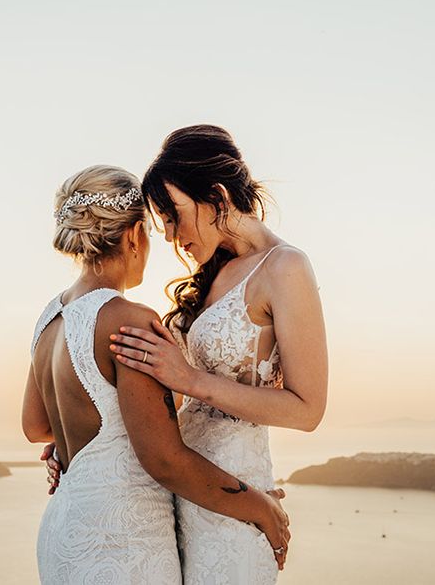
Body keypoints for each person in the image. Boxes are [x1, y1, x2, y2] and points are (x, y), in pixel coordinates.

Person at [44, 127, 328, 584]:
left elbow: (308, 409)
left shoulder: (285, 267)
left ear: (216, 196)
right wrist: (84, 436)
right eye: (161, 224)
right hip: (172, 494)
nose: (172, 237)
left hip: (232, 503)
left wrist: (190, 380)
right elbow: (156, 395)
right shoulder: (209, 274)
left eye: (174, 216)